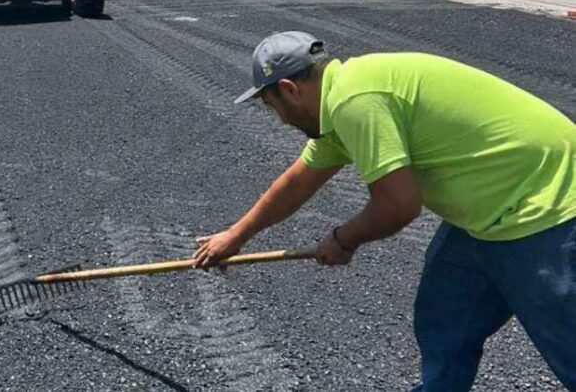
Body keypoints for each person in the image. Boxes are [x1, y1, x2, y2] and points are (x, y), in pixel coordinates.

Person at [192, 31, 576, 390]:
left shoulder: (355, 101)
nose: (280, 120)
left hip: (543, 204)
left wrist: (344, 239)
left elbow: (398, 205)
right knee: (445, 316)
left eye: (273, 105)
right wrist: (235, 236)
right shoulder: (343, 97)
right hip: (490, 208)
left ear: (290, 90)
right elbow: (298, 180)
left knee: (567, 342)